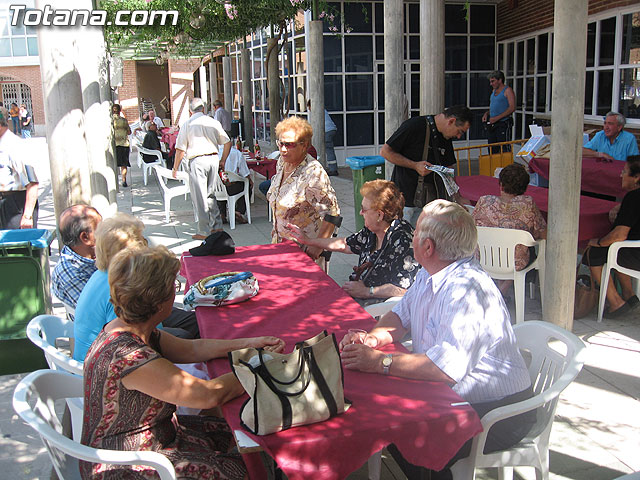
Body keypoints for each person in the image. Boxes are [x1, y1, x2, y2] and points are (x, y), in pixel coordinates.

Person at [339, 200, 535, 480]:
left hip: (500, 412)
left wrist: (380, 362)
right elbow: (400, 315)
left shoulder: (467, 291)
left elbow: (445, 369)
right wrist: (372, 339)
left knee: (408, 434)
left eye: (416, 232)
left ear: (428, 248)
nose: (411, 237)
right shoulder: (430, 273)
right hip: (454, 395)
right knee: (387, 422)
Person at [80, 244, 285, 479]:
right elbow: (209, 394)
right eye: (173, 287)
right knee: (241, 464)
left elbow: (191, 348)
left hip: (154, 436)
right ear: (158, 303)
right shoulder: (130, 357)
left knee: (234, 426)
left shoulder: (130, 328)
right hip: (127, 464)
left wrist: (250, 344)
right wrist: (261, 366)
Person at [74, 213, 200, 361]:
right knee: (183, 336)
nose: (146, 247)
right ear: (130, 252)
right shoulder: (122, 286)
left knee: (195, 321)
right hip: (107, 358)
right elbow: (140, 335)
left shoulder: (104, 273)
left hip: (113, 347)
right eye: (142, 241)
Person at [287, 179, 419, 305]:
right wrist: (309, 241)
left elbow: (404, 289)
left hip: (380, 309)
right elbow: (345, 244)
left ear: (379, 215)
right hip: (360, 297)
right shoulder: (373, 230)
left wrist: (367, 291)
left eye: (364, 209)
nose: (361, 213)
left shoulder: (403, 241)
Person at [381, 105, 473, 226]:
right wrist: (414, 165)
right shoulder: (415, 125)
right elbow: (385, 152)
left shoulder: (446, 137)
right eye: (460, 131)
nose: (459, 136)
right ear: (451, 121)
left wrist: (458, 197)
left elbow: (449, 170)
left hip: (429, 203)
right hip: (405, 200)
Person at [267, 116, 340, 263]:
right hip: (280, 247)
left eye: (289, 144)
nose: (283, 149)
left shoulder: (313, 173)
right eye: (280, 143)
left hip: (304, 252)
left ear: (304, 145)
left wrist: (318, 246)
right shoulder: (282, 163)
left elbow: (333, 213)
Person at [472, 163, 547, 291]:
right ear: (524, 188)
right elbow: (543, 233)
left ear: (500, 184)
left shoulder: (484, 201)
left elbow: (472, 226)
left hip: (485, 259)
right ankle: (502, 291)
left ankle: (499, 292)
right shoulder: (527, 204)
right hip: (514, 263)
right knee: (524, 249)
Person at [584, 155, 640, 318]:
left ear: (636, 177)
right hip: (633, 249)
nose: (620, 175)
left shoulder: (633, 197)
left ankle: (616, 302)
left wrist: (598, 242)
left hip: (635, 254)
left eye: (624, 171)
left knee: (594, 254)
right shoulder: (632, 198)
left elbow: (619, 235)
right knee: (614, 250)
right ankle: (630, 296)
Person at [172, 97, 231, 241]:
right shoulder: (213, 122)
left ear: (190, 111)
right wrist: (223, 160)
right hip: (212, 159)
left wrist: (175, 168)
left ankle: (204, 230)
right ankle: (216, 225)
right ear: (203, 109)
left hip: (197, 160)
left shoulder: (188, 124)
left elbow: (180, 150)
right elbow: (228, 142)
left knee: (199, 197)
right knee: (210, 194)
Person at [51, 205, 102, 309]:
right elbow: (98, 311)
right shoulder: (71, 273)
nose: (107, 233)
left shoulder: (90, 254)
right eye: (101, 229)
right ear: (85, 237)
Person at [0, 111, 38, 229]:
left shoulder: (14, 145)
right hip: (3, 202)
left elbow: (32, 183)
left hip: (15, 204)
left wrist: (27, 216)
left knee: (16, 245)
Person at [481, 70, 515, 153]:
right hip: (493, 124)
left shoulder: (508, 90)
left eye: (493, 81)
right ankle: (493, 165)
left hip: (503, 123)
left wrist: (497, 118)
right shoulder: (493, 91)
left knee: (504, 147)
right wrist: (487, 113)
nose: (491, 84)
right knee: (492, 148)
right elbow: (494, 106)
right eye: (490, 82)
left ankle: (506, 165)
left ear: (500, 80)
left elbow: (512, 107)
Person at [217, 145, 252, 224]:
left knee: (220, 185)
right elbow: (245, 172)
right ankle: (239, 211)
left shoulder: (213, 153)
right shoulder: (236, 153)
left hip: (217, 187)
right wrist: (249, 180)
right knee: (246, 186)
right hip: (232, 186)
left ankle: (221, 213)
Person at [307, 99, 338, 176]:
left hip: (327, 131)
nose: (309, 110)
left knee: (328, 149)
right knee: (328, 149)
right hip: (331, 130)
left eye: (309, 107)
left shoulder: (317, 111)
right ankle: (331, 168)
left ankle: (333, 169)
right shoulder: (322, 110)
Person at [112, 103, 131, 187]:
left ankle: (114, 181)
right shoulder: (124, 121)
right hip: (124, 144)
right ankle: (124, 180)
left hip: (114, 144)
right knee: (124, 164)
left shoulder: (110, 121)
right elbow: (129, 132)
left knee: (114, 163)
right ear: (120, 111)